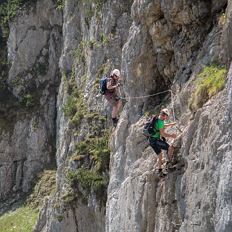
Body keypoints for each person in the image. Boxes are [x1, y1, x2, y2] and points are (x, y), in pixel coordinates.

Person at [149, 108, 177, 174]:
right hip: (156, 141)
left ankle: (160, 171)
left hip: (151, 140)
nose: (166, 118)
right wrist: (171, 136)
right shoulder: (161, 121)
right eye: (166, 116)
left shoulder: (156, 118)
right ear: (165, 116)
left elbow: (162, 126)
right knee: (170, 148)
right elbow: (162, 134)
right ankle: (169, 166)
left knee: (160, 155)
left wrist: (171, 124)